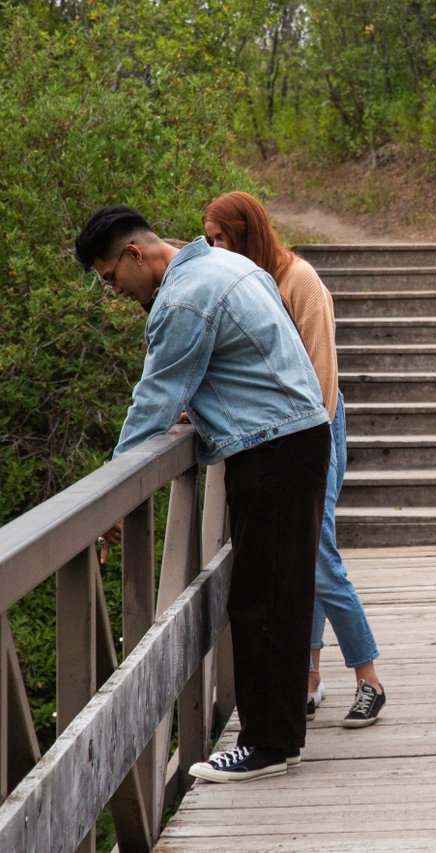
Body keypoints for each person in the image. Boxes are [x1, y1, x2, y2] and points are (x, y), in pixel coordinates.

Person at [75, 205, 330, 782]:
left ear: (134, 255)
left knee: (262, 600)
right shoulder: (227, 265)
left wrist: (112, 493)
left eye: (112, 279)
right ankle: (281, 739)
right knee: (280, 595)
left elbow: (155, 397)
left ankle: (266, 746)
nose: (115, 293)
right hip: (295, 438)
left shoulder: (185, 297)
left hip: (272, 447)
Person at [203, 191, 387, 728]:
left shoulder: (298, 281)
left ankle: (368, 678)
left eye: (218, 238)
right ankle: (307, 676)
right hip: (276, 438)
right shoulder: (241, 283)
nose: (212, 248)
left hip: (317, 429)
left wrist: (314, 452)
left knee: (317, 553)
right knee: (300, 555)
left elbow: (322, 378)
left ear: (242, 232)